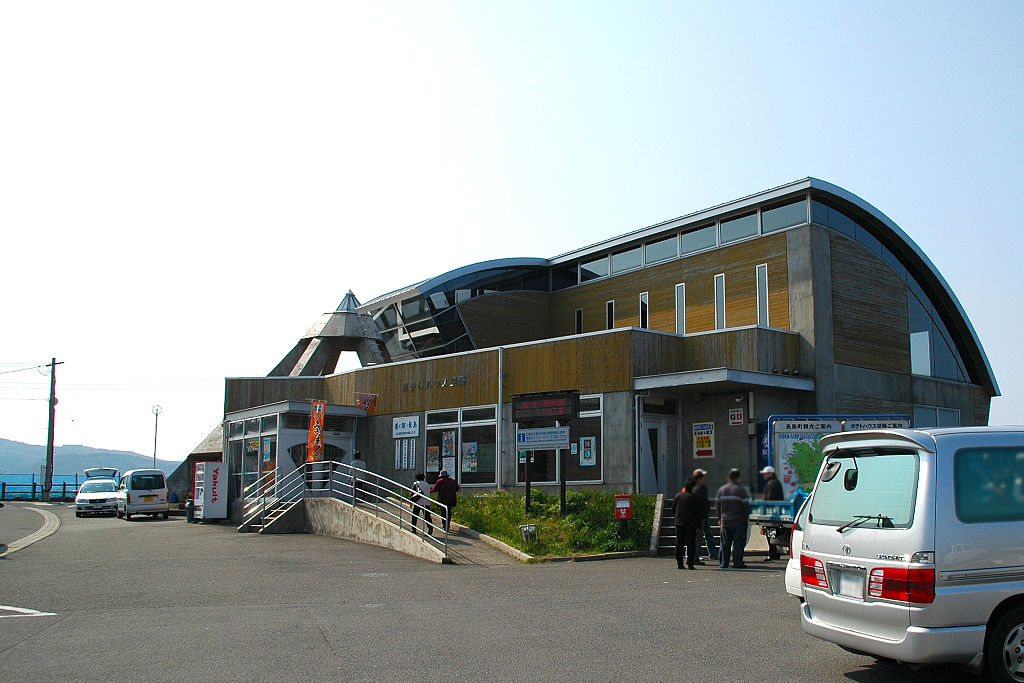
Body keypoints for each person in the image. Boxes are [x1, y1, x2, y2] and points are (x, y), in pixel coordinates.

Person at [716, 468, 750, 569]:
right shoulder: (741, 490)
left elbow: (717, 505)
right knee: (738, 543)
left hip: (725, 521)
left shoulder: (722, 490)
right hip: (739, 521)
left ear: (728, 478)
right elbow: (746, 506)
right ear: (738, 478)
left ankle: (723, 563)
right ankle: (738, 562)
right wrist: (746, 517)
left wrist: (719, 518)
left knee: (725, 543)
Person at [672, 477, 703, 569]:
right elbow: (698, 511)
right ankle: (690, 563)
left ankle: (679, 563)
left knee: (679, 543)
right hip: (691, 523)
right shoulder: (694, 497)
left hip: (679, 522)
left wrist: (676, 518)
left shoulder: (678, 496)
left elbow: (673, 509)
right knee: (690, 543)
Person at [692, 469, 718, 561]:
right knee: (696, 535)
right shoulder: (694, 488)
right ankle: (696, 554)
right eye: (703, 477)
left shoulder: (703, 488)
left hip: (704, 513)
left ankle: (713, 553)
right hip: (697, 515)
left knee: (708, 533)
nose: (704, 479)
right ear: (699, 478)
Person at [761, 465, 784, 561]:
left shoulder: (771, 484)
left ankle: (773, 553)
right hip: (776, 511)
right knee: (774, 534)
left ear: (770, 474)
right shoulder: (775, 482)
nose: (764, 476)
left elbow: (770, 498)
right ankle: (775, 553)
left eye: (765, 474)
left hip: (772, 513)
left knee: (771, 534)